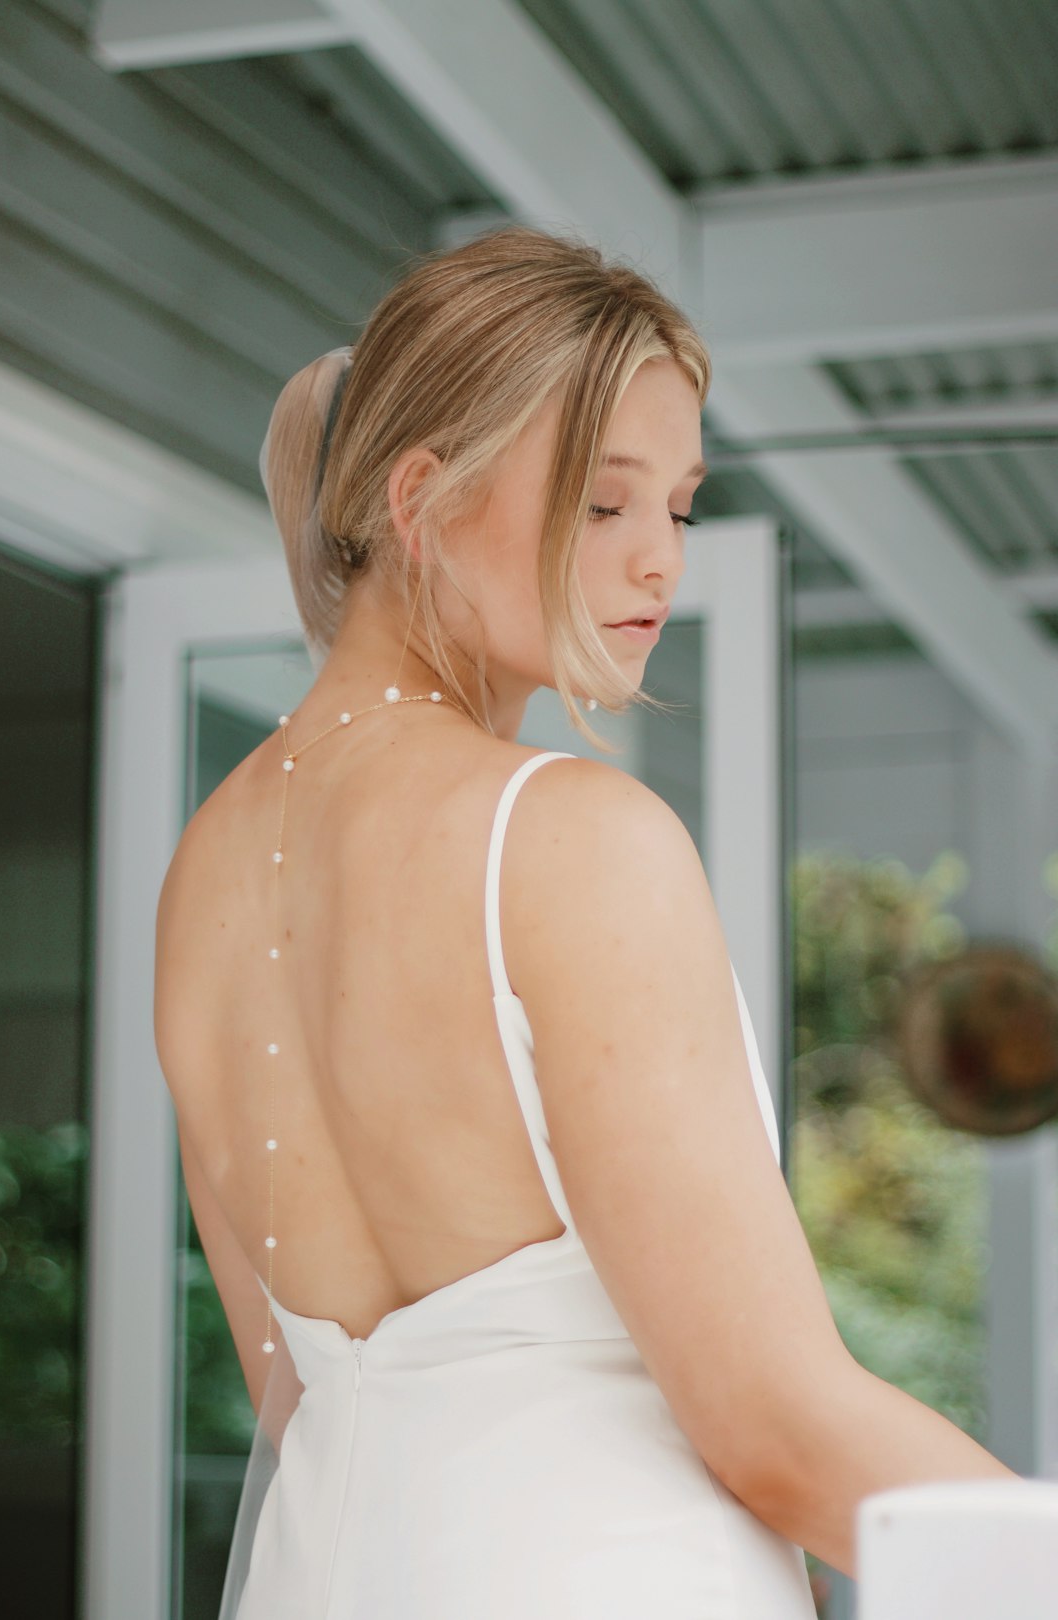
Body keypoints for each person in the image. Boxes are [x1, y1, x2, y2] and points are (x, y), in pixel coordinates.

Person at [153, 224, 1017, 1618]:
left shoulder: (203, 874)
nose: (658, 564)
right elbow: (778, 1433)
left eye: (678, 506)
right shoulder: (567, 838)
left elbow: (292, 1391)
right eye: (605, 503)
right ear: (422, 495)